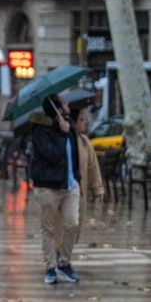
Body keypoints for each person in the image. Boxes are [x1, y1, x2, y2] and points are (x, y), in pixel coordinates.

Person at [29, 95, 81, 285]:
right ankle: (50, 267)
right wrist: (63, 134)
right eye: (64, 103)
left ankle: (64, 263)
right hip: (48, 186)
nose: (68, 105)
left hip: (69, 185)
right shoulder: (40, 130)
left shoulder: (69, 126)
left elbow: (74, 157)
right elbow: (53, 155)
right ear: (57, 108)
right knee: (48, 229)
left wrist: (77, 180)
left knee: (72, 224)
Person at [74, 107, 104, 243]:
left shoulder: (85, 142)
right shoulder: (64, 140)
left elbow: (93, 166)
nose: (84, 123)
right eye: (81, 120)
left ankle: (65, 257)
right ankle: (59, 256)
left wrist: (98, 187)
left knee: (77, 224)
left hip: (81, 192)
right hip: (64, 190)